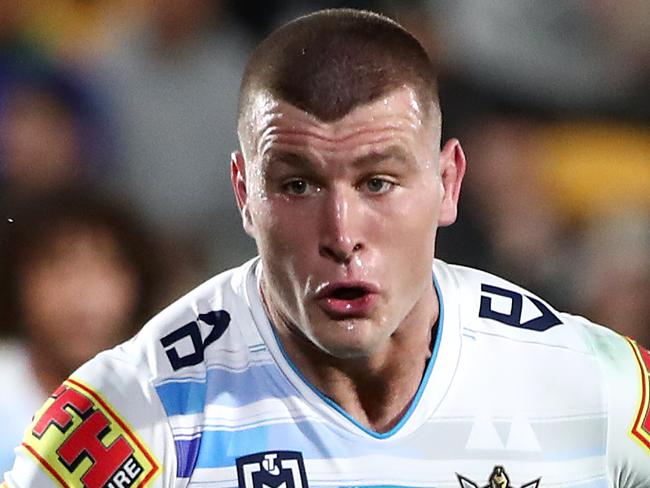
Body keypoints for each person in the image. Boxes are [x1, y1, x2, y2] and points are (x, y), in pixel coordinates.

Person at [3, 9, 649, 488]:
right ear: (243, 193)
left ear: (449, 184)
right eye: (297, 184)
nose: (342, 235)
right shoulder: (132, 419)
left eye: (379, 182)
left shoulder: (590, 384)